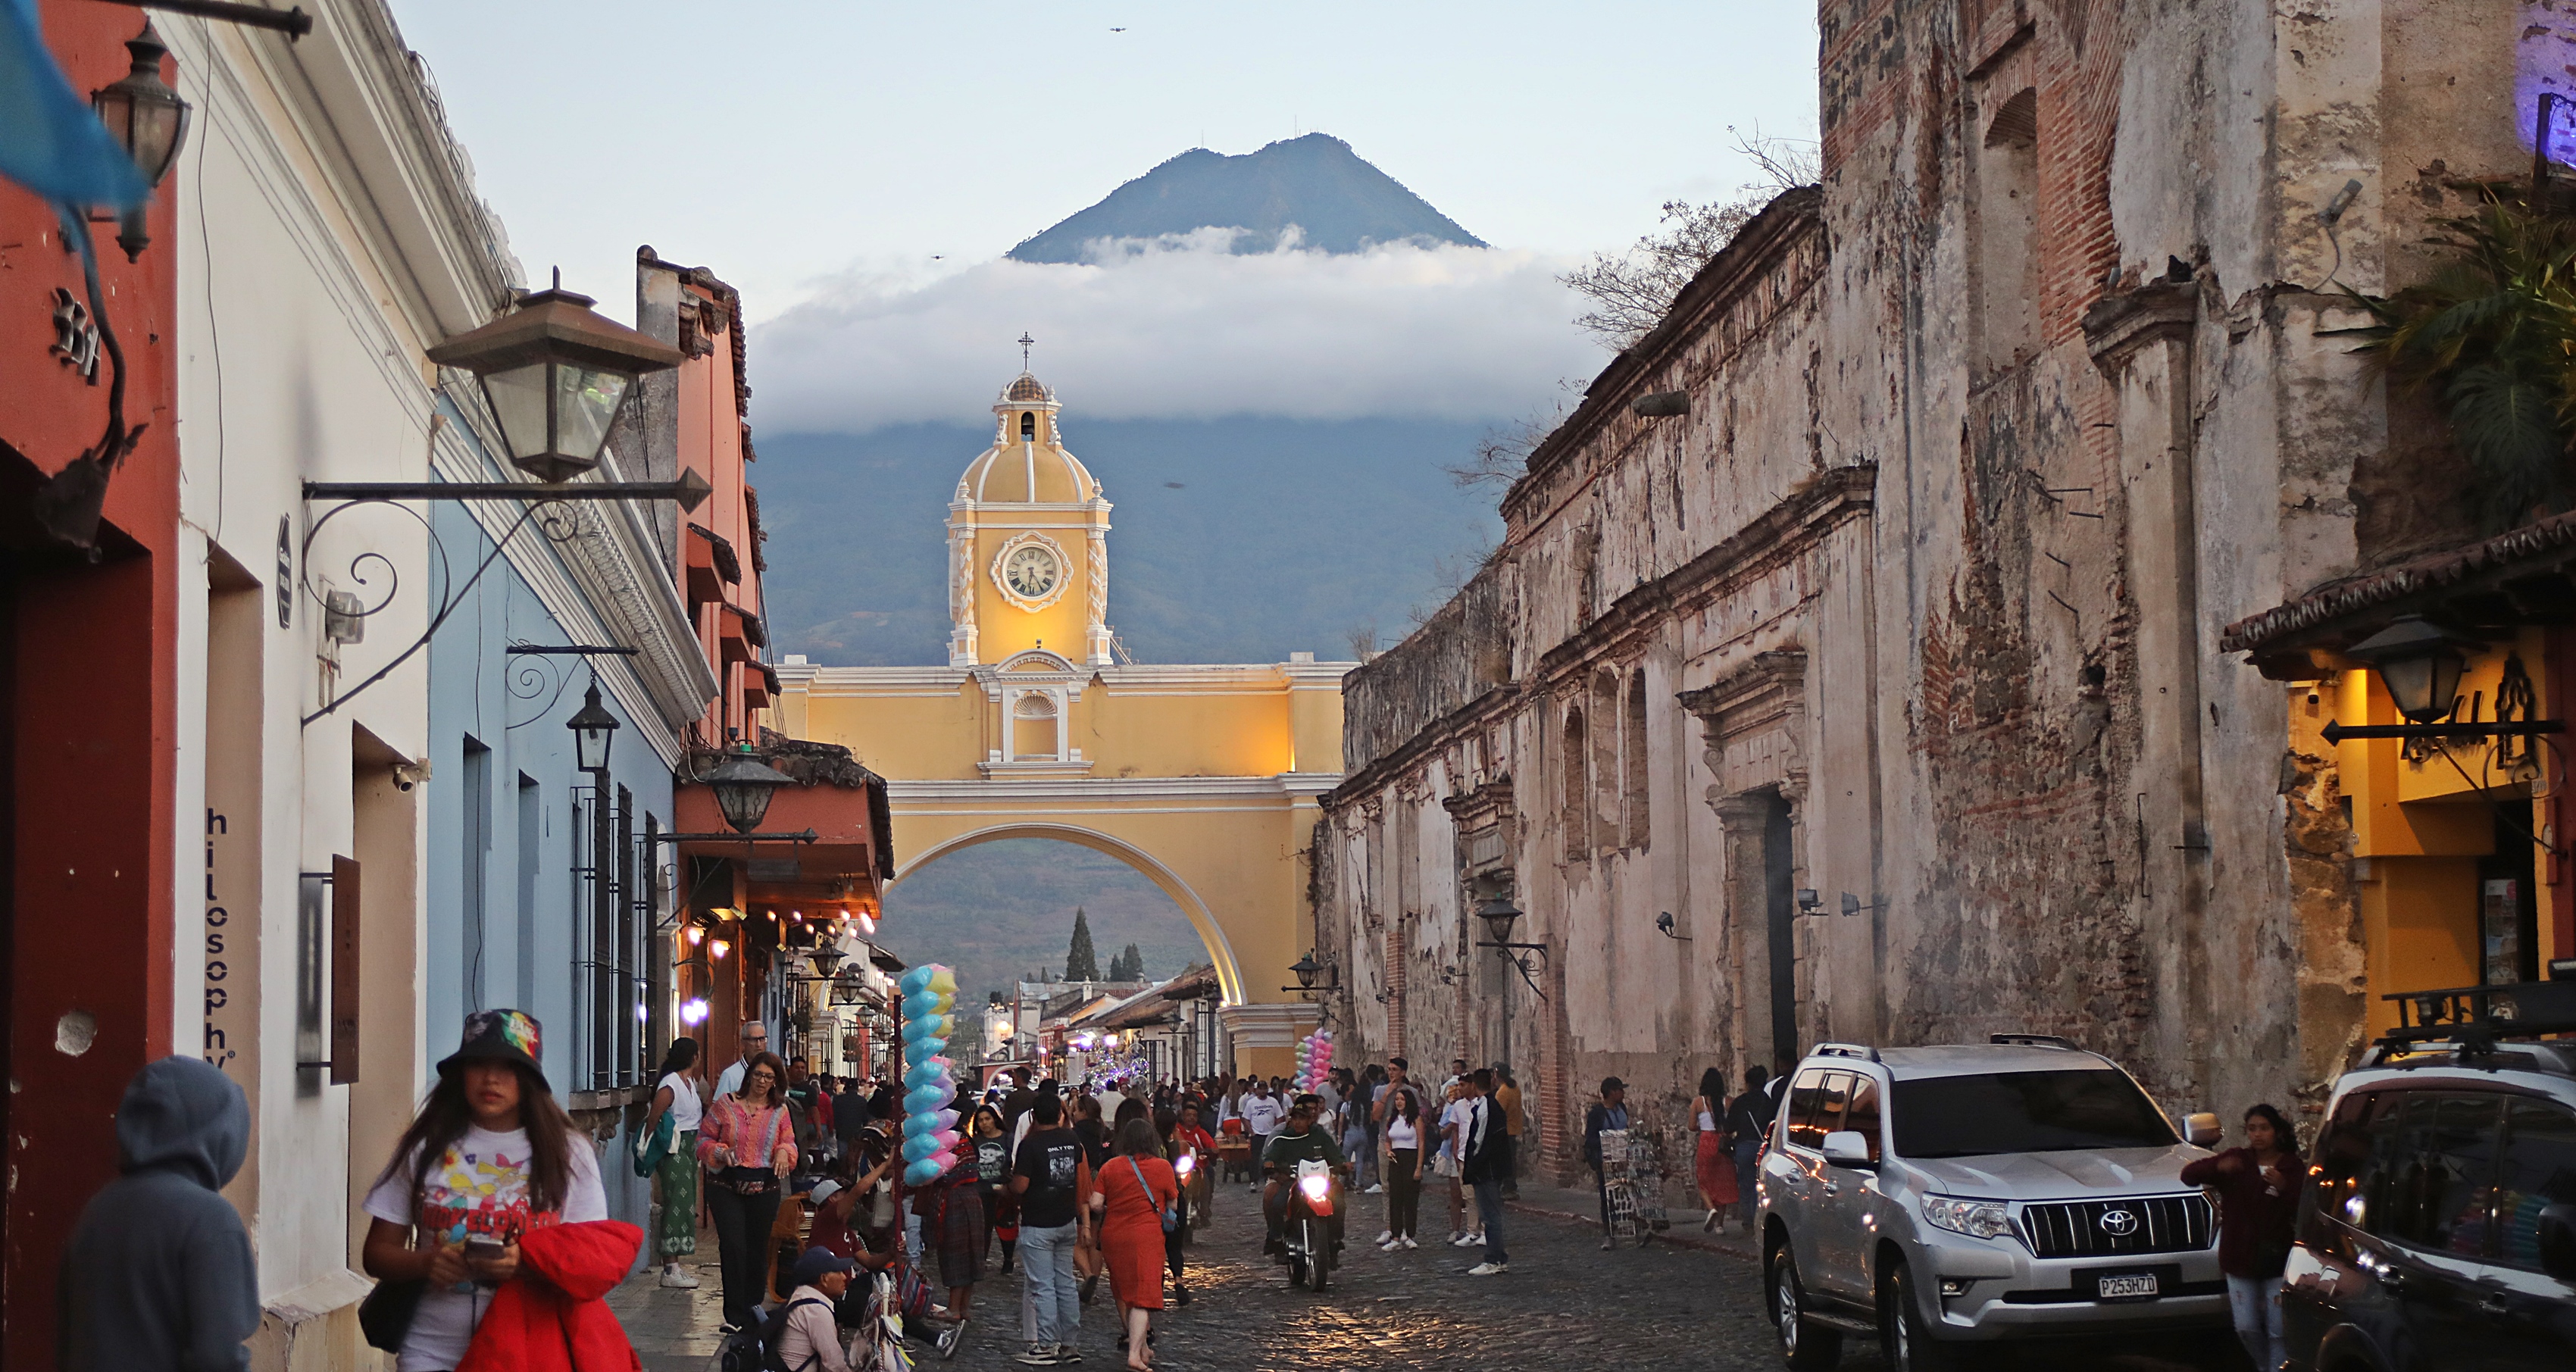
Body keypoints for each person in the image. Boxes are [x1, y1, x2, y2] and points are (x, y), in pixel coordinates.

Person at [360, 1010, 609, 1372]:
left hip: (530, 1352)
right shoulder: (427, 1147)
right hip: (431, 1352)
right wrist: (427, 1263)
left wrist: (524, 1263)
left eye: (508, 1067)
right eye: (478, 1065)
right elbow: (377, 1253)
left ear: (528, 1078)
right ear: (462, 1073)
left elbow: (590, 1258)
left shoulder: (569, 1152)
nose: (491, 1079)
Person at [58, 1056, 259, 1372]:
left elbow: (69, 1337)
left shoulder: (98, 1209)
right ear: (221, 1133)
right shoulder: (211, 1219)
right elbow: (218, 1356)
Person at [2181, 1103, 2302, 1372]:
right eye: (2252, 1129)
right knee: (2246, 1327)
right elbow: (2188, 1175)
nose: (2258, 1135)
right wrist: (2220, 1167)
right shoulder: (2239, 1160)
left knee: (2277, 1330)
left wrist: (2283, 1187)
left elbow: (2303, 1206)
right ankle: (2263, 1365)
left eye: (2264, 1128)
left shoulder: (2291, 1167)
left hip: (2277, 1258)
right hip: (2239, 1257)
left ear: (2277, 1132)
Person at [696, 1051, 799, 1330]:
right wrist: (720, 1150)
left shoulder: (780, 1111)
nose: (762, 1082)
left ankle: (753, 1309)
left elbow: (791, 1144)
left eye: (768, 1077)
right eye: (757, 1075)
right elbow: (703, 1139)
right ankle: (734, 1315)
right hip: (726, 1184)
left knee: (757, 1248)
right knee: (732, 1246)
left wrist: (782, 1151)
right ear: (749, 1075)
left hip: (764, 1187)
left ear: (776, 1081)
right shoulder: (726, 1105)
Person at [1011, 1095, 1091, 1367]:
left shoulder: (1030, 1145)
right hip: (1066, 1219)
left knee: (1042, 1286)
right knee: (1066, 1284)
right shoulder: (1072, 1139)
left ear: (1033, 1116)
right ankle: (1070, 1344)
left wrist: (1007, 1188)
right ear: (1059, 1114)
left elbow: (1021, 1186)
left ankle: (1045, 1345)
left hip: (1038, 1222)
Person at [1092, 1119, 1178, 1370]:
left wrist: (1113, 1206)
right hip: (1146, 1236)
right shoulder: (1162, 1168)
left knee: (1127, 1293)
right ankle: (1134, 1355)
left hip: (1114, 1236)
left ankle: (1143, 1348)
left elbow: (1096, 1203)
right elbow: (1172, 1205)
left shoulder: (1110, 1167)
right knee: (1143, 1296)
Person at [917, 1099, 988, 1355]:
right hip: (971, 1198)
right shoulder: (965, 1140)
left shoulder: (949, 1142)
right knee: (970, 1252)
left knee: (956, 1254)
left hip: (955, 1200)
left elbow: (940, 1173)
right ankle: (964, 1307)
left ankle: (954, 1309)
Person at [643, 1037, 706, 1287]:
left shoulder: (689, 1081)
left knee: (687, 1201)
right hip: (674, 1148)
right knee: (676, 1202)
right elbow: (654, 1117)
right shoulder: (670, 1084)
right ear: (694, 1057)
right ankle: (670, 1267)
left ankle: (676, 1264)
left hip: (689, 1147)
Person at [1258, 1094, 1349, 1260]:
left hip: (1318, 1179)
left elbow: (1335, 1154)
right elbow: (1270, 1157)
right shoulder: (1282, 1137)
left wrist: (1342, 1164)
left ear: (1309, 1120)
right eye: (1295, 1118)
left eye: (1303, 1118)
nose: (1299, 1122)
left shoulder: (1320, 1136)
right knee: (1278, 1202)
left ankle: (1335, 1237)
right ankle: (1276, 1238)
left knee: (1338, 1199)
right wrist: (1271, 1166)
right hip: (1292, 1179)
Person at [1458, 1069, 1508, 1275]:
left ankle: (1494, 1259)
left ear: (1474, 1085)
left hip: (1486, 1170)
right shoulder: (1489, 1104)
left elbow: (1480, 1139)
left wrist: (1474, 1165)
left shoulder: (1486, 1106)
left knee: (1490, 1216)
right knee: (1491, 1214)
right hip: (1489, 1168)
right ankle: (1498, 1258)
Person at [776, 1246, 857, 1372]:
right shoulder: (816, 1309)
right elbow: (834, 1364)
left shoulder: (802, 1296)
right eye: (838, 1272)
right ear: (824, 1279)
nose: (844, 1277)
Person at [1376, 1083, 1427, 1250]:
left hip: (1410, 1157)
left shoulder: (1415, 1120)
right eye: (1397, 1099)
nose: (1398, 1102)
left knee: (1410, 1199)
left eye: (1402, 1099)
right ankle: (1396, 1235)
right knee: (1395, 1198)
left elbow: (1421, 1142)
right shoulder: (1392, 1119)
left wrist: (1419, 1167)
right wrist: (1388, 1151)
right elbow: (1388, 1140)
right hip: (1396, 1160)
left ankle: (1410, 1234)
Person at [1582, 1077, 1630, 1251]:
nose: (1623, 1093)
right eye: (1620, 1090)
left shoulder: (1622, 1109)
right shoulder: (1597, 1113)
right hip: (1606, 1160)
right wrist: (1610, 1140)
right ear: (1612, 1093)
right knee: (1607, 1197)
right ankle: (1609, 1233)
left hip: (1624, 1159)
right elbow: (1590, 1139)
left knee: (1629, 1194)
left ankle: (1632, 1228)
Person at [1691, 1066, 1740, 1233]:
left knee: (1704, 1181)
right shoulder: (1729, 1102)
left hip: (1706, 1142)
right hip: (1722, 1144)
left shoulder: (1698, 1103)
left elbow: (1691, 1126)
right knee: (1723, 1183)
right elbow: (1733, 1124)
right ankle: (1720, 1225)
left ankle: (1711, 1208)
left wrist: (1703, 1127)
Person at [971, 1105, 1018, 1274]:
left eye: (987, 1119)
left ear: (995, 1119)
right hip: (981, 1189)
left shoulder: (1008, 1139)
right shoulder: (976, 1141)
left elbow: (1015, 1162)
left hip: (1003, 1189)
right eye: (981, 1120)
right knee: (983, 1228)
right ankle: (980, 1261)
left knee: (1007, 1226)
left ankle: (1008, 1259)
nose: (984, 1123)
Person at [1725, 1065, 1775, 1217]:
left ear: (1748, 1083)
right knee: (1763, 1186)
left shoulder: (1740, 1102)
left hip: (1744, 1147)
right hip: (1764, 1147)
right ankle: (1761, 1218)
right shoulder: (1769, 1101)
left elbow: (1729, 1127)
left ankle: (1748, 1220)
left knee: (1747, 1185)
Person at [1238, 1079, 1286, 1188]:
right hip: (1257, 1135)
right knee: (1255, 1158)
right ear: (1257, 1090)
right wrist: (1251, 1131)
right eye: (1261, 1089)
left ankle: (1269, 1178)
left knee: (1270, 1157)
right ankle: (1253, 1180)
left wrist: (1275, 1130)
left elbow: (1280, 1116)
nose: (1263, 1091)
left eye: (1265, 1089)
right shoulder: (1251, 1103)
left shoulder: (1273, 1102)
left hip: (1270, 1135)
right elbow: (1245, 1118)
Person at [712, 1020, 771, 1101]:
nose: (758, 1044)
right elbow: (718, 1109)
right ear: (743, 1043)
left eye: (762, 1039)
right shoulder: (730, 1075)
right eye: (753, 1040)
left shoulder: (773, 1073)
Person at [1491, 1063, 1524, 1200]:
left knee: (1504, 1161)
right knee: (1510, 1160)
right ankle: (1509, 1187)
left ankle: (1508, 1188)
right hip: (1513, 1128)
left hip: (1505, 1131)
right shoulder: (1515, 1088)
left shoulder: (1503, 1092)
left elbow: (1497, 1113)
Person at [833, 1069, 874, 1158]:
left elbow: (834, 1115)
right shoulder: (862, 1101)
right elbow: (865, 1118)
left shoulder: (837, 1100)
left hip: (842, 1132)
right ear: (857, 1087)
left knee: (842, 1156)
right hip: (856, 1133)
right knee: (855, 1157)